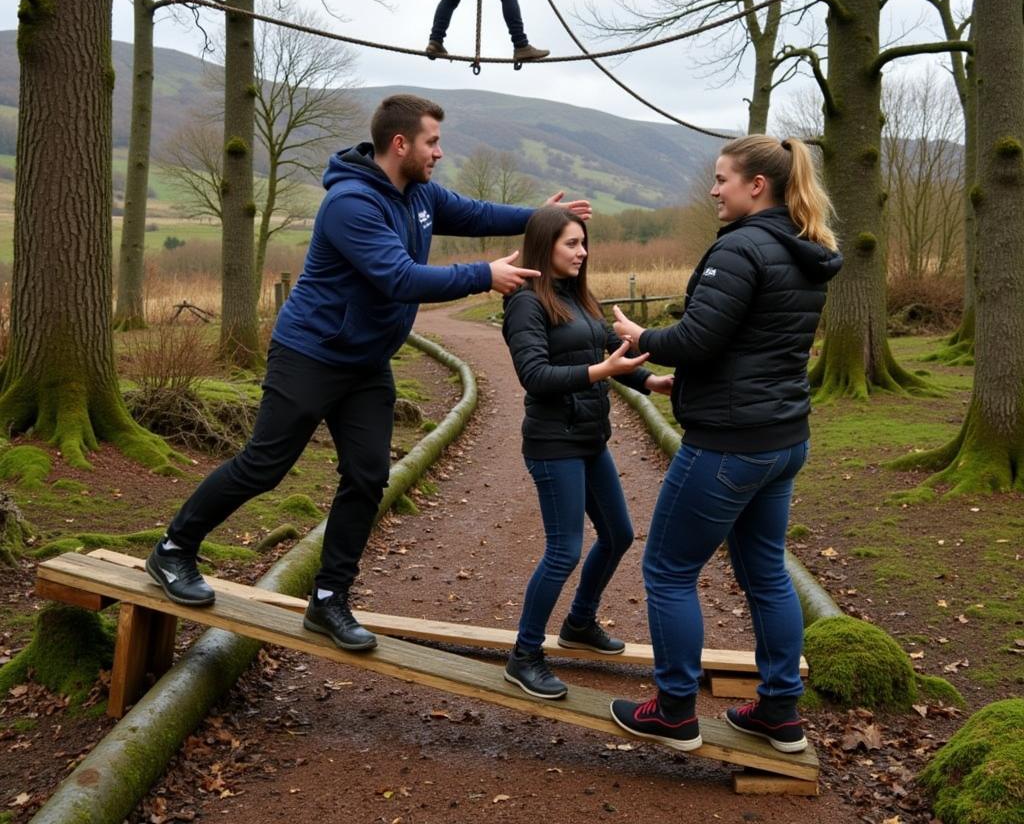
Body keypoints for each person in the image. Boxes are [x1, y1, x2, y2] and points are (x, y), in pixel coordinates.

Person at [146, 94, 591, 654]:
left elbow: (476, 214)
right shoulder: (351, 204)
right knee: (265, 465)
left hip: (365, 364)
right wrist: (485, 274)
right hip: (310, 353)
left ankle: (330, 598)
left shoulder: (420, 194)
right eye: (432, 142)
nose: (439, 152)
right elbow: (398, 277)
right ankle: (172, 550)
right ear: (400, 144)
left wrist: (542, 218)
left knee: (366, 476)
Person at [607, 134, 842, 753]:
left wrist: (642, 334)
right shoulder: (804, 247)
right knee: (765, 571)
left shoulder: (740, 248)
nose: (713, 190)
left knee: (667, 569)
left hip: (730, 444)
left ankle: (675, 710)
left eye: (722, 179)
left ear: (755, 186)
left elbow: (700, 338)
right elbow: (751, 344)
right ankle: (779, 712)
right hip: (784, 438)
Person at [501, 206, 673, 699]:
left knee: (618, 534)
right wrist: (603, 374)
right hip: (553, 443)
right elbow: (534, 376)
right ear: (545, 246)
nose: (582, 252)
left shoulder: (578, 298)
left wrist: (652, 382)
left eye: (583, 243)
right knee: (564, 550)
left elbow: (606, 354)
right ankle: (524, 655)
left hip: (589, 438)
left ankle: (579, 622)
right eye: (571, 243)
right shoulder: (525, 304)